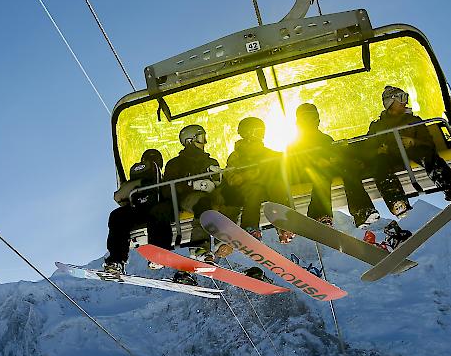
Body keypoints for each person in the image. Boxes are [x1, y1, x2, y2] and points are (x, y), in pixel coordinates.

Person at [366, 85, 451, 218]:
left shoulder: (413, 120)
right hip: (391, 156)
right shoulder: (377, 126)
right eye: (401, 98)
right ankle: (397, 202)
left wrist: (413, 141)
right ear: (390, 102)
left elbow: (428, 143)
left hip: (411, 152)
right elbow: (369, 144)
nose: (405, 102)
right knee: (379, 164)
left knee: (426, 153)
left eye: (406, 97)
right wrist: (379, 150)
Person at [287, 103, 380, 228]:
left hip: (326, 168)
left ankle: (362, 210)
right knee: (321, 176)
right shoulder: (295, 143)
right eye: (307, 118)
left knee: (347, 169)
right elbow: (294, 163)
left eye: (313, 117)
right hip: (307, 172)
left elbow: (332, 153)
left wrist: (336, 159)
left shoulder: (325, 138)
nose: (311, 121)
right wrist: (316, 163)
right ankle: (319, 215)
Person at [162, 124, 237, 268]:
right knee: (203, 203)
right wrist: (193, 185)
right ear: (190, 141)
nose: (205, 142)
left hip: (211, 195)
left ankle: (225, 240)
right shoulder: (176, 164)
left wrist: (219, 179)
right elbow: (169, 187)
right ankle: (200, 246)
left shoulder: (211, 161)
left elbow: (220, 184)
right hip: (188, 197)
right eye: (201, 138)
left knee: (230, 198)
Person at [224, 117, 295, 245]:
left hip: (267, 188)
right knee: (254, 191)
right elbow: (231, 176)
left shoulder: (266, 152)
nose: (261, 135)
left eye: (263, 132)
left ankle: (283, 224)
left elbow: (280, 160)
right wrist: (245, 176)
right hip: (248, 189)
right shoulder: (237, 155)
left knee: (277, 185)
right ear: (248, 133)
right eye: (258, 132)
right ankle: (250, 228)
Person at [103, 149, 173, 275]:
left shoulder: (136, 180)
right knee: (119, 216)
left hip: (141, 210)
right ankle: (118, 260)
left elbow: (118, 196)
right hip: (152, 209)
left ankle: (117, 259)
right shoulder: (164, 180)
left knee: (117, 216)